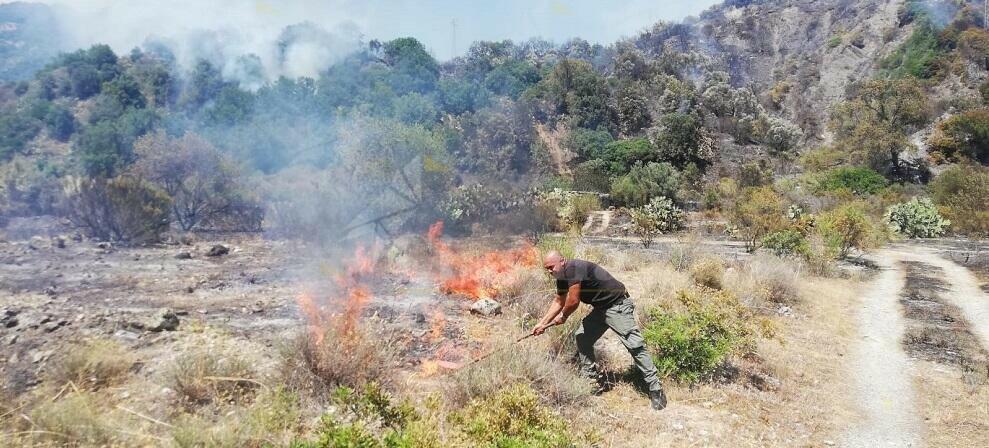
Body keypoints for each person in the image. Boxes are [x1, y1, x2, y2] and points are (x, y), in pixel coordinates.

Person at [532, 250, 668, 410]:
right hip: (601, 308)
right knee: (582, 337)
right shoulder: (561, 276)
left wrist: (563, 316)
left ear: (562, 261)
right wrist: (542, 323)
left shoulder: (573, 268)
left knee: (635, 346)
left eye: (551, 267)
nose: (549, 271)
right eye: (546, 268)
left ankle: (656, 389)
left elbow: (573, 301)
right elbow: (559, 301)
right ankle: (591, 382)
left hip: (617, 305)